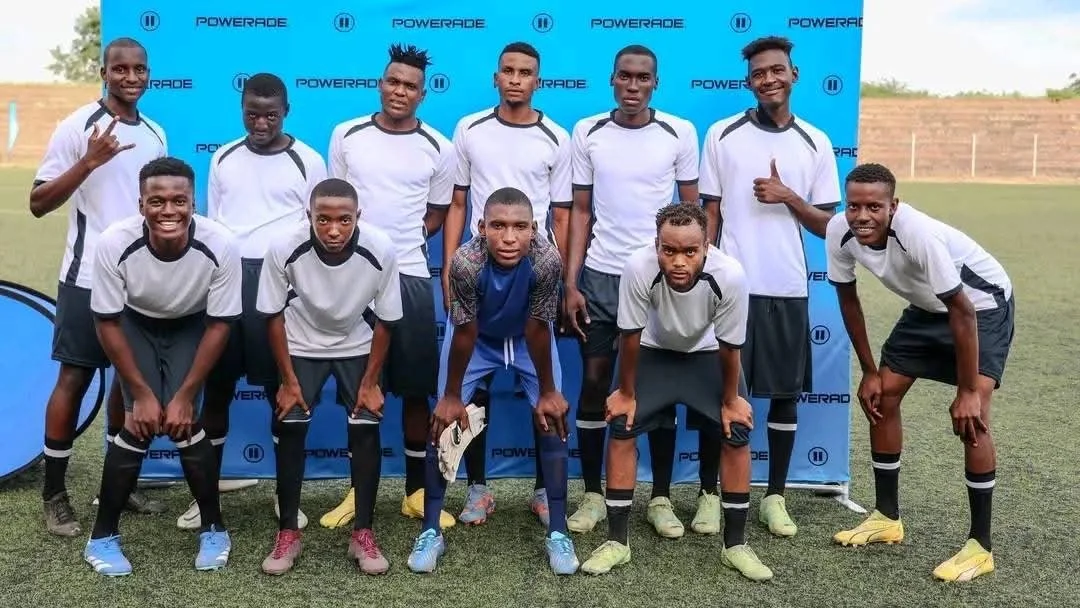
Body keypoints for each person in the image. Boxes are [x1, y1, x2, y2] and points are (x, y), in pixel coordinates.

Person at [829, 163, 1012, 582]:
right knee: (882, 396)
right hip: (928, 309)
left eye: (874, 206)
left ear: (893, 206)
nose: (862, 216)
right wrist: (870, 371)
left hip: (980, 307)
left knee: (974, 417)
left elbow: (962, 310)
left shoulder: (917, 233)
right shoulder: (839, 231)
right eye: (854, 205)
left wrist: (968, 390)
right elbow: (848, 302)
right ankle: (887, 517)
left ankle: (980, 547)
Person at [579, 203, 773, 582]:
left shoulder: (730, 275)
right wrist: (627, 392)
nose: (679, 261)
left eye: (690, 251)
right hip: (654, 352)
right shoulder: (638, 267)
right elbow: (630, 337)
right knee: (620, 422)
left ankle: (734, 546)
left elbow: (730, 347)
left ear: (706, 247)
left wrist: (731, 401)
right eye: (669, 251)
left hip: (706, 355)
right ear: (656, 246)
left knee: (736, 433)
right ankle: (618, 542)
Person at [697, 35, 841, 538]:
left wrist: (788, 197)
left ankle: (775, 496)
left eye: (777, 70)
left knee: (783, 397)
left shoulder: (816, 142)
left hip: (786, 287)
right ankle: (710, 494)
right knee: (722, 394)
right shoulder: (722, 134)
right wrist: (706, 277)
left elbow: (828, 225)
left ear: (793, 75)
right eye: (759, 73)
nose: (769, 79)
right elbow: (708, 213)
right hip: (730, 286)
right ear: (749, 81)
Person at [30, 36, 168, 537]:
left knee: (132, 388)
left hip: (142, 284)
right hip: (87, 279)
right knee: (75, 379)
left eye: (139, 69)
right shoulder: (77, 127)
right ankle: (54, 494)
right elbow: (39, 202)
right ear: (104, 72)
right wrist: (88, 162)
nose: (131, 78)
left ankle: (117, 485)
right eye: (120, 69)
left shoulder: (155, 133)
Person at [563, 44, 702, 538]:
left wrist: (689, 272)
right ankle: (593, 494)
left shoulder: (680, 132)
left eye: (643, 78)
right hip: (599, 276)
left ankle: (660, 497)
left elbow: (692, 214)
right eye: (625, 76)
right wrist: (571, 281)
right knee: (596, 384)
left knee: (656, 389)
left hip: (660, 276)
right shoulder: (587, 131)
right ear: (612, 79)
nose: (633, 86)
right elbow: (580, 212)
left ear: (655, 83)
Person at [177, 72, 327, 531]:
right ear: (241, 109)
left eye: (270, 114)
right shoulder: (223, 156)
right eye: (251, 114)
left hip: (278, 284)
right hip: (226, 282)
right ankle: (205, 501)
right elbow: (214, 225)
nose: (260, 123)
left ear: (287, 112)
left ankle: (287, 501)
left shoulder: (309, 160)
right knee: (217, 392)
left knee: (280, 395)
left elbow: (314, 229)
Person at [408, 187, 578, 575]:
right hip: (478, 339)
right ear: (481, 227)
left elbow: (538, 327)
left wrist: (549, 392)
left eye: (519, 227)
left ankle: (558, 532)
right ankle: (431, 530)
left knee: (553, 419)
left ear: (534, 229)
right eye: (498, 226)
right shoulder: (465, 262)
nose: (508, 237)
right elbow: (464, 331)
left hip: (525, 339)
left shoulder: (547, 258)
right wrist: (451, 396)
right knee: (443, 421)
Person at [82, 157, 239, 576]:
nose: (168, 210)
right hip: (134, 322)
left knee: (184, 422)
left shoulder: (221, 244)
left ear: (193, 203)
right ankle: (102, 537)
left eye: (178, 200)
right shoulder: (114, 242)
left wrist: (186, 394)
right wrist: (141, 394)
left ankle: (214, 528)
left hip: (193, 323)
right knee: (138, 423)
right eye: (156, 201)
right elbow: (107, 321)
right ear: (140, 205)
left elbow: (221, 324)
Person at [321, 43, 455, 532]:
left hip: (413, 278)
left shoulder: (440, 147)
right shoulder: (347, 135)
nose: (400, 91)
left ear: (424, 93)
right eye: (393, 82)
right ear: (381, 83)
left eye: (410, 86)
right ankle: (359, 492)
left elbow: (437, 215)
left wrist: (401, 246)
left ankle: (416, 492)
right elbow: (333, 205)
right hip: (352, 279)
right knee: (361, 388)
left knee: (417, 390)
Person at [439, 41, 572, 526]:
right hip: (479, 272)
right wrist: (450, 268)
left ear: (538, 80)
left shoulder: (557, 136)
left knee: (544, 389)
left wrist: (564, 282)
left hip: (532, 277)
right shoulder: (469, 129)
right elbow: (457, 204)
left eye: (526, 72)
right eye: (508, 71)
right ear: (496, 77)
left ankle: (543, 490)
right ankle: (478, 489)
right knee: (471, 393)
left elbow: (561, 214)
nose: (517, 79)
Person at [255, 178, 402, 576]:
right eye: (323, 220)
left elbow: (387, 320)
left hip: (357, 342)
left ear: (358, 218)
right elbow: (271, 314)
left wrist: (371, 383)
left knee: (366, 428)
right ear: (309, 217)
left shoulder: (381, 248)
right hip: (300, 343)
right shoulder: (284, 246)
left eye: (344, 220)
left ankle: (363, 533)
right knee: (290, 427)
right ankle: (288, 533)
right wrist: (287, 381)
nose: (333, 230)